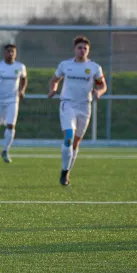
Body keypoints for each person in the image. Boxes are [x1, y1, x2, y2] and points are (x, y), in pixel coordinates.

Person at [48, 36, 107, 186]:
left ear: (88, 51)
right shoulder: (65, 65)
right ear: (74, 49)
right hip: (68, 104)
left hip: (85, 106)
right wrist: (53, 89)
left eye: (85, 49)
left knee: (75, 143)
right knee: (68, 136)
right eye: (79, 48)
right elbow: (55, 79)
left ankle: (66, 172)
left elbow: (102, 85)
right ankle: (64, 172)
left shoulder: (94, 68)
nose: (82, 51)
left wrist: (99, 93)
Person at [0, 44, 27, 164]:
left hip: (13, 101)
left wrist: (22, 90)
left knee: (11, 125)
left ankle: (5, 150)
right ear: (4, 53)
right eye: (8, 51)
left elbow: (24, 79)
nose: (10, 54)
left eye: (13, 52)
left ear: (16, 53)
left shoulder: (20, 66)